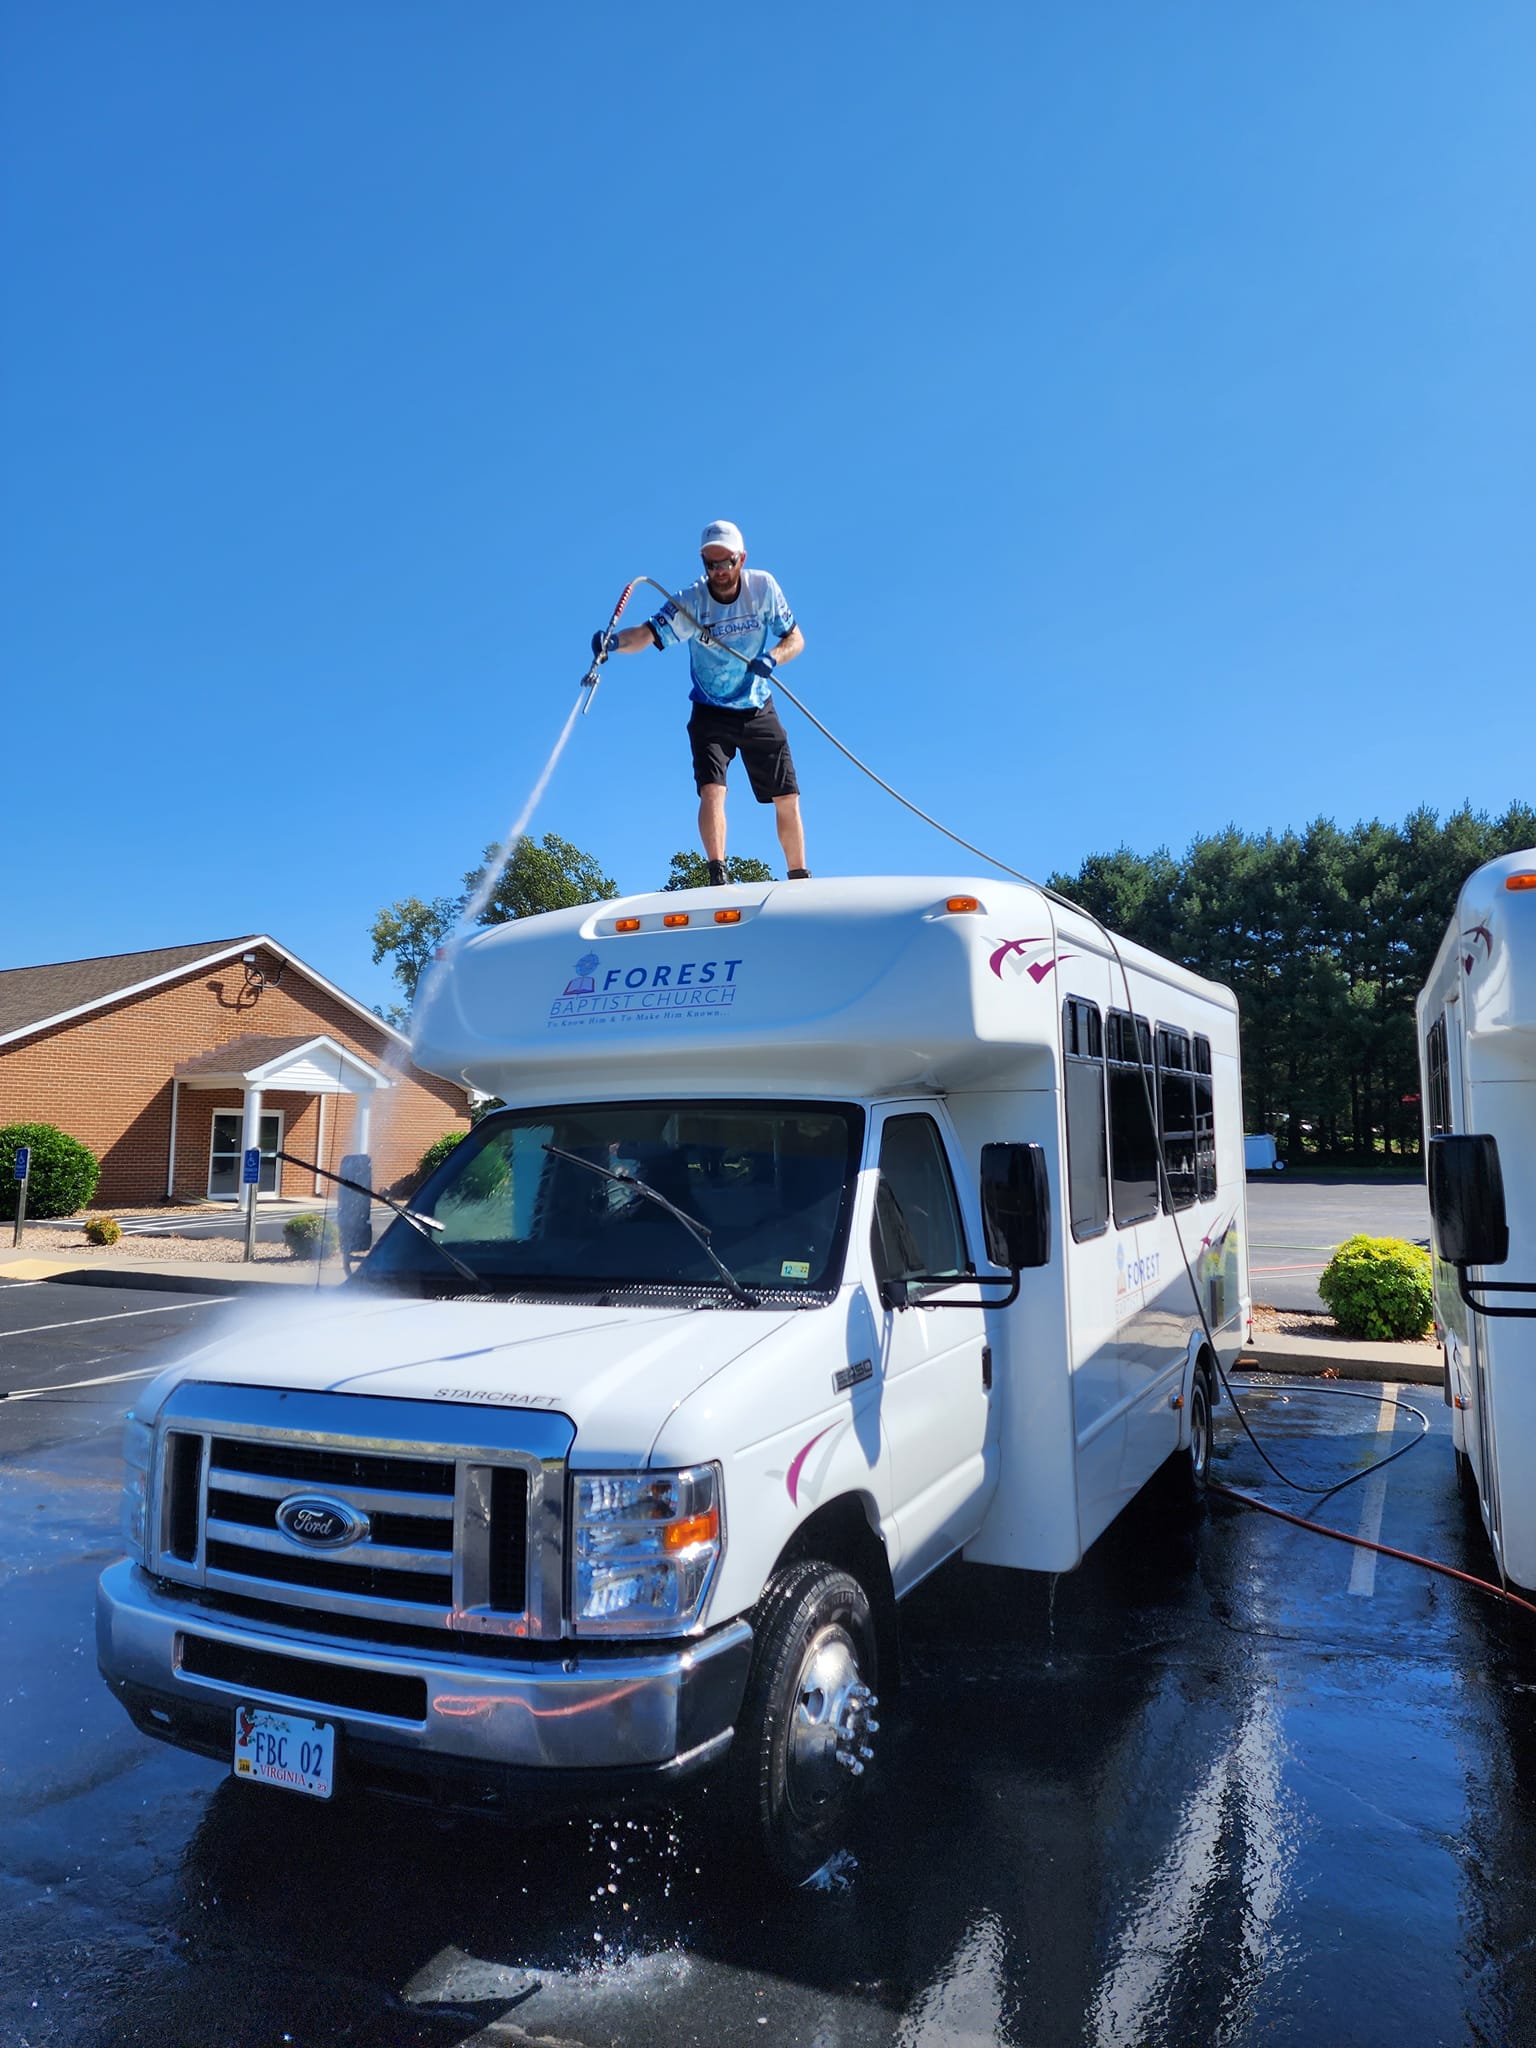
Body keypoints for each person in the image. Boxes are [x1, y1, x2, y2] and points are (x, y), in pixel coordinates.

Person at [594, 520, 809, 884]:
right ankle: (718, 873)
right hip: (710, 709)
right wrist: (613, 644)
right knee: (713, 790)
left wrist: (773, 657)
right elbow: (647, 634)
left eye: (725, 563)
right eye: (710, 564)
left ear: (741, 559)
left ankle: (799, 876)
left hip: (757, 705)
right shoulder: (691, 602)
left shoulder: (763, 588)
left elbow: (795, 638)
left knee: (786, 795)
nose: (719, 572)